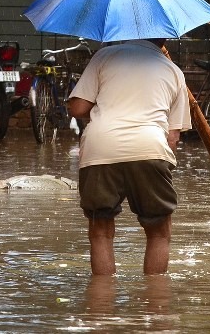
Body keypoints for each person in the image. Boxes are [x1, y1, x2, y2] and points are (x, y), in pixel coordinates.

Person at [67, 38, 192, 275]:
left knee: (100, 231)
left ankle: (101, 307)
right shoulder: (173, 71)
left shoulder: (104, 56)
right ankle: (154, 306)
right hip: (150, 147)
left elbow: (78, 109)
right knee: (159, 231)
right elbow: (173, 137)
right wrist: (160, 170)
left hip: (100, 148)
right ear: (164, 37)